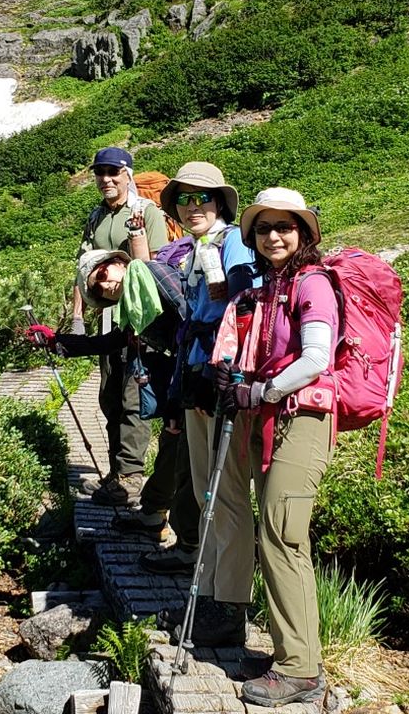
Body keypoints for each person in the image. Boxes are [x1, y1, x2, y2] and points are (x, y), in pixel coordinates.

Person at [216, 187, 337, 709]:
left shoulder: (313, 284)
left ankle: (300, 670)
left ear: (303, 233)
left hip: (302, 417)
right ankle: (293, 656)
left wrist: (262, 391)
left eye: (285, 227)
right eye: (264, 228)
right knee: (274, 532)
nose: (273, 236)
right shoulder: (271, 287)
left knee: (284, 536)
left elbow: (316, 357)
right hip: (273, 419)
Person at [27, 248, 199, 552]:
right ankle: (151, 515)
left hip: (199, 374)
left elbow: (192, 324)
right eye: (97, 287)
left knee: (187, 462)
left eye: (103, 274)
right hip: (182, 380)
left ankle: (189, 549)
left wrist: (182, 394)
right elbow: (109, 342)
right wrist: (56, 341)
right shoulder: (133, 306)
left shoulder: (152, 274)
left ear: (120, 263)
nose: (105, 286)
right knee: (172, 452)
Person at [150, 161, 257, 642]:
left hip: (221, 379)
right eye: (185, 199)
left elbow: (243, 302)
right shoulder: (197, 248)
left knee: (225, 497)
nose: (193, 207)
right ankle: (210, 593)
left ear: (221, 203)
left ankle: (228, 606)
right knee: (203, 492)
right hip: (197, 377)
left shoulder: (232, 241)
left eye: (203, 198)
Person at [74, 147, 169, 507]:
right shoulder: (96, 216)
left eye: (113, 172)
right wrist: (77, 319)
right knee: (109, 393)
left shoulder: (147, 213)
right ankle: (117, 473)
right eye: (100, 172)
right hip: (107, 318)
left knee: (133, 396)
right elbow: (83, 270)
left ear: (128, 172)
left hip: (139, 318)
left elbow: (155, 267)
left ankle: (130, 477)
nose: (106, 179)